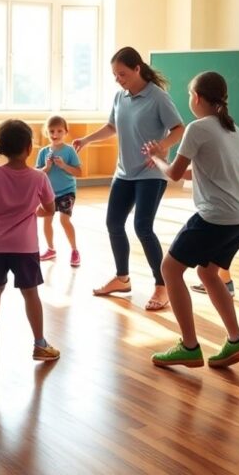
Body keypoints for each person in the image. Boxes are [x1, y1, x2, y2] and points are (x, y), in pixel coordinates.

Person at [145, 72, 239, 369]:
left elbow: (173, 174)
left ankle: (190, 346)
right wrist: (165, 159)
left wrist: (157, 156)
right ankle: (235, 340)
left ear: (196, 97)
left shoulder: (197, 128)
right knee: (208, 273)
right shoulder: (234, 129)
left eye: (190, 95)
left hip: (217, 217)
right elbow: (203, 171)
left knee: (169, 268)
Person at [74, 46, 184, 311]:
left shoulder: (158, 97)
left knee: (142, 227)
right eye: (114, 74)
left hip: (150, 172)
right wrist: (87, 140)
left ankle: (162, 284)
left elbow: (179, 128)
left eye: (122, 73)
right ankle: (122, 278)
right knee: (113, 223)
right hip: (124, 172)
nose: (118, 79)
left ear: (137, 69)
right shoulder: (120, 97)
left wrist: (161, 147)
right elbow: (112, 126)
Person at [0, 120, 60, 361]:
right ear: (29, 148)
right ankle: (40, 344)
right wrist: (32, 212)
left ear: (1, 148)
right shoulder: (38, 178)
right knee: (30, 293)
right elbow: (50, 208)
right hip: (25, 247)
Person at [36, 115, 82, 267]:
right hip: (48, 193)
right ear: (46, 132)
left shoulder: (69, 151)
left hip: (67, 191)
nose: (55, 135)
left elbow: (78, 172)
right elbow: (37, 174)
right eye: (51, 131)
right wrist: (46, 168)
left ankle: (75, 250)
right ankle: (50, 249)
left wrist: (64, 166)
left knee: (64, 220)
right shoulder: (43, 152)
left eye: (59, 131)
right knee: (47, 220)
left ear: (66, 132)